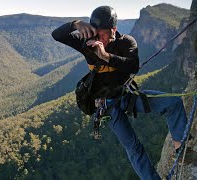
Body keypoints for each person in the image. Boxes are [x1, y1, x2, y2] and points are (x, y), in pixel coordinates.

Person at [52, 6, 190, 180]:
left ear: (114, 30)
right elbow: (57, 35)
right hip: (108, 107)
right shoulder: (87, 42)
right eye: (96, 33)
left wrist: (105, 56)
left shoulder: (127, 42)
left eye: (103, 34)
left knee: (173, 103)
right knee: (133, 147)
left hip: (127, 96)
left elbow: (132, 65)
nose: (99, 38)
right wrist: (76, 24)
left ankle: (180, 148)